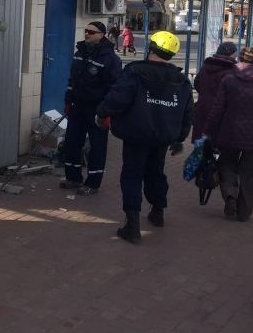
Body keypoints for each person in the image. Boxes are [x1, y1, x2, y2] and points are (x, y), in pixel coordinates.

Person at [96, 31, 194, 244]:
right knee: (155, 172)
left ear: (151, 48)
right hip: (162, 136)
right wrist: (179, 138)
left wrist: (102, 113)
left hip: (136, 134)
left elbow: (117, 98)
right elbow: (187, 113)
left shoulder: (135, 72)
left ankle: (132, 225)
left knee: (132, 175)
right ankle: (158, 211)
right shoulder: (181, 80)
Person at [60, 21, 122, 195]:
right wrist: (68, 100)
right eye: (86, 31)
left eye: (92, 32)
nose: (87, 34)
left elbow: (115, 87)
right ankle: (73, 177)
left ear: (102, 35)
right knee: (72, 142)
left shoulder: (110, 59)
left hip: (97, 109)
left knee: (97, 146)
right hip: (78, 106)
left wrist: (107, 112)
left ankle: (93, 183)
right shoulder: (80, 53)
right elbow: (72, 80)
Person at [204, 46, 253, 222]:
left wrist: (208, 131)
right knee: (249, 173)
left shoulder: (229, 78)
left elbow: (218, 108)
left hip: (229, 132)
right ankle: (244, 211)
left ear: (240, 58)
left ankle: (230, 196)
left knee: (226, 165)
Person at [192, 41, 237, 143]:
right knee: (216, 144)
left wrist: (205, 93)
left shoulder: (206, 66)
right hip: (220, 113)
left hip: (202, 108)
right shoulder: (231, 70)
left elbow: (197, 83)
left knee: (200, 143)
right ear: (231, 54)